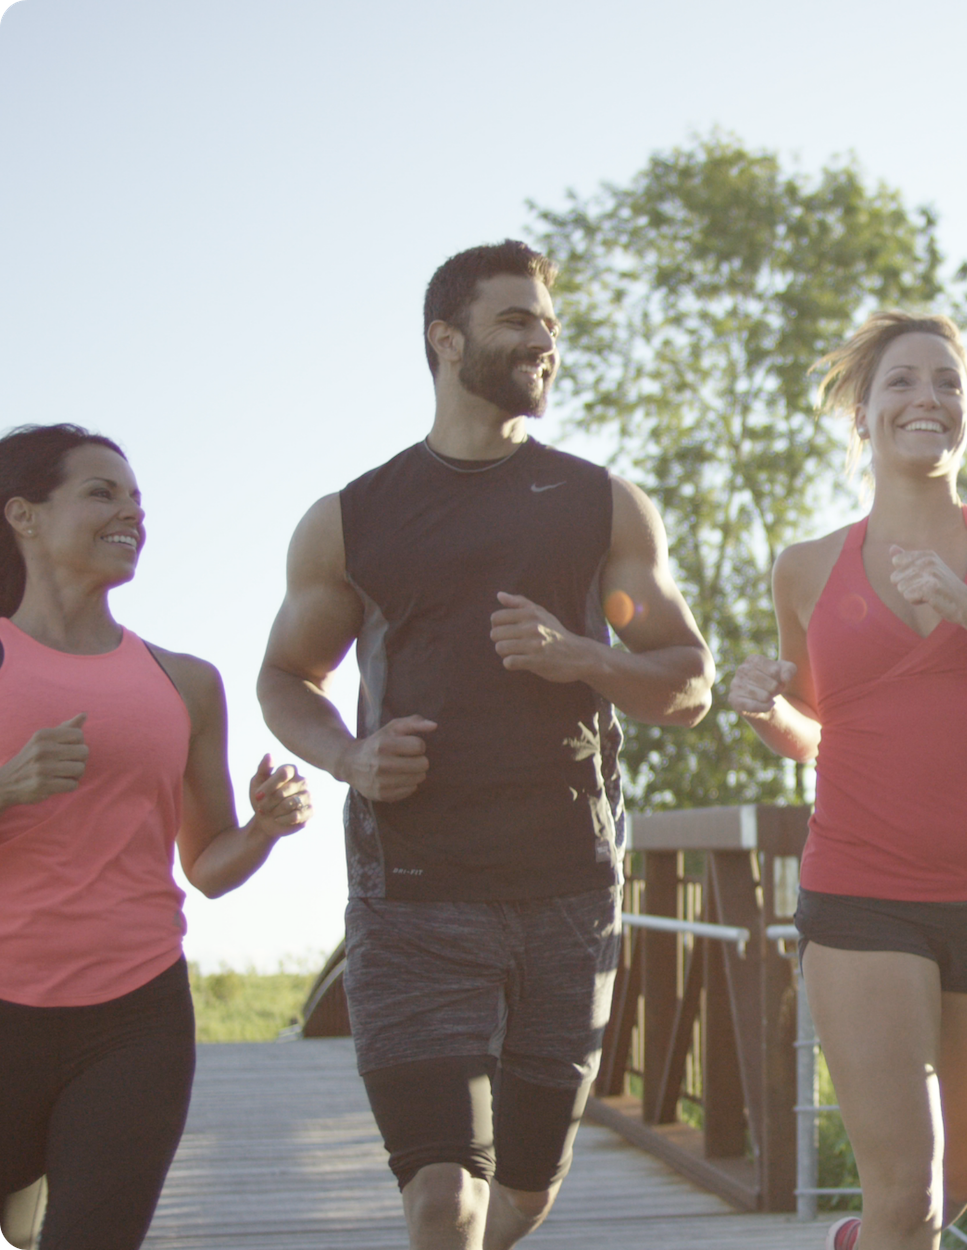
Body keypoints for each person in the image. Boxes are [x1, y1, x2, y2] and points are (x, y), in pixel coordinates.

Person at [257, 239, 714, 1250]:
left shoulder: (601, 502)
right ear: (444, 337)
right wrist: (348, 757)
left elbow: (688, 683)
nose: (542, 341)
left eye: (549, 324)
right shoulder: (350, 518)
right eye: (516, 320)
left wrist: (579, 659)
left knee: (519, 1196)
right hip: (414, 894)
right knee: (441, 1199)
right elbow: (285, 677)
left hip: (567, 892)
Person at [0, 423, 313, 1250]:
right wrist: (7, 787)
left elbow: (206, 868)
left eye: (138, 500)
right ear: (23, 516)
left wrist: (265, 830)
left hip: (135, 1022)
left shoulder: (185, 683)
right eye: (102, 492)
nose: (131, 513)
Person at [729, 312, 967, 1250]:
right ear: (862, 412)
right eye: (901, 382)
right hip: (861, 892)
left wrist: (964, 604)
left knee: (963, 1173)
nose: (928, 398)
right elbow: (813, 735)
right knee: (909, 1191)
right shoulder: (805, 569)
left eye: (949, 383)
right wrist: (767, 709)